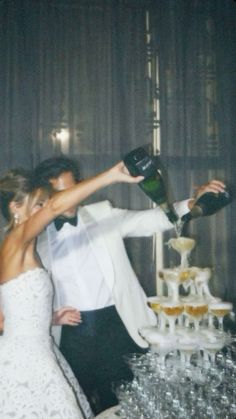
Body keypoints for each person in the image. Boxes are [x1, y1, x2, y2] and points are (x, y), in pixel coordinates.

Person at [34, 156, 226, 415]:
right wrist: (50, 317)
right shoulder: (33, 240)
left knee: (128, 406)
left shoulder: (102, 214)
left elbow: (151, 220)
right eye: (59, 193)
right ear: (45, 197)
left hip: (116, 327)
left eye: (71, 188)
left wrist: (192, 204)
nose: (68, 197)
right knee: (74, 408)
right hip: (69, 339)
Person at [0, 161, 141, 418]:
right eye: (39, 204)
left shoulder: (26, 248)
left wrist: (48, 318)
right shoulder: (15, 241)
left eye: (45, 203)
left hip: (43, 351)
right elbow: (57, 206)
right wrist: (109, 176)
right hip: (28, 363)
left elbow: (2, 319)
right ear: (16, 208)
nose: (47, 209)